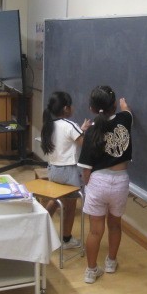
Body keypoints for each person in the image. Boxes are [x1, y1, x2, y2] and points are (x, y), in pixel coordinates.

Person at [77, 85, 133, 284]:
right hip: (120, 182)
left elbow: (86, 170)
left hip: (97, 182)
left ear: (91, 108)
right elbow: (127, 111)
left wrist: (88, 185)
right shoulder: (125, 120)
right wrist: (124, 105)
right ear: (114, 105)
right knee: (115, 225)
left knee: (95, 231)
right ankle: (111, 262)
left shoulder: (91, 132)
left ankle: (91, 271)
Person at [40, 91, 90, 249]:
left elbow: (67, 139)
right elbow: (85, 144)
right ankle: (66, 239)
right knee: (70, 206)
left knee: (55, 199)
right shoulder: (70, 125)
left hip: (53, 170)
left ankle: (39, 229)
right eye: (71, 105)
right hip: (69, 172)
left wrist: (81, 130)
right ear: (66, 108)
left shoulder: (49, 125)